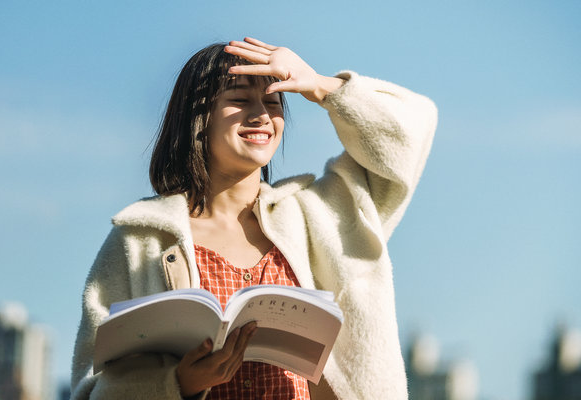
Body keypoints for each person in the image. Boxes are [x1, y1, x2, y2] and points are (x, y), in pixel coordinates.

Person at [71, 37, 437, 400]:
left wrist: (323, 87)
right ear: (197, 118)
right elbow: (91, 388)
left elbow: (414, 128)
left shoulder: (322, 214)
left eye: (273, 101)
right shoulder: (139, 241)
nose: (261, 114)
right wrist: (177, 385)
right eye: (240, 99)